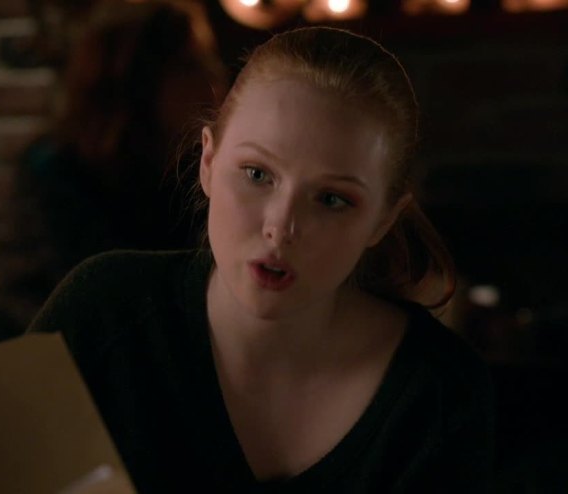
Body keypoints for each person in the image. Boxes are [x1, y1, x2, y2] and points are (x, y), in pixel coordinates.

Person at [29, 27, 495, 492]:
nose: (281, 226)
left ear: (383, 221)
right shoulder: (102, 315)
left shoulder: (441, 395)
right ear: (208, 162)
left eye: (332, 199)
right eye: (256, 174)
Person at [0, 0, 228, 350]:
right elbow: (86, 308)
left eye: (208, 60)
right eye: (188, 66)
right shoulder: (57, 175)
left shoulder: (196, 172)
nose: (214, 77)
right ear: (138, 84)